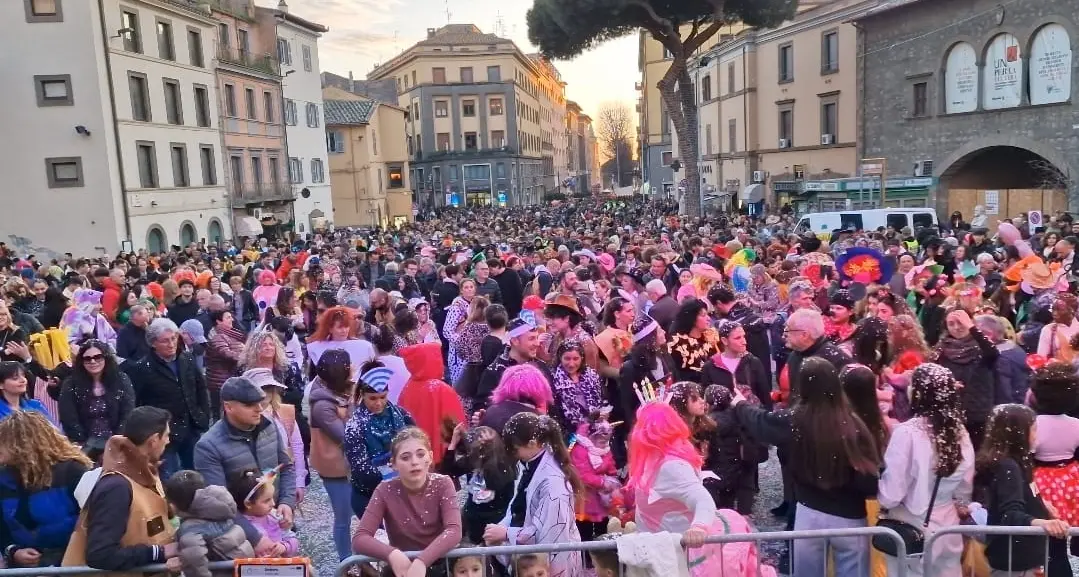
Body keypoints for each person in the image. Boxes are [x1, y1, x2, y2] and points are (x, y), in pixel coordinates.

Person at [733, 357, 880, 577]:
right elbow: (869, 476)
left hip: (809, 511)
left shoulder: (796, 419)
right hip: (850, 516)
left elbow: (762, 423)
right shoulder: (853, 423)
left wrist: (740, 405)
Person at [628, 402, 774, 577]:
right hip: (666, 550)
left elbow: (701, 498)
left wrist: (698, 527)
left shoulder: (671, 465)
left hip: (682, 553)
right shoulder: (654, 459)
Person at [877, 363, 974, 577]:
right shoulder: (960, 433)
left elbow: (892, 492)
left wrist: (881, 500)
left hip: (910, 522)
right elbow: (965, 486)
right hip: (948, 524)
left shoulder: (906, 433)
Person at [61, 406, 180, 571]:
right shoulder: (116, 487)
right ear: (153, 441)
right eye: (166, 435)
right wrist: (158, 553)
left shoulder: (146, 474)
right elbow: (100, 554)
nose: (168, 441)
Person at [975, 404, 1071, 576]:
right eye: (1033, 430)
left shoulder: (1017, 462)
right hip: (1014, 558)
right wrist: (1043, 523)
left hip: (1023, 554)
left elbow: (1023, 494)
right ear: (1017, 434)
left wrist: (1042, 504)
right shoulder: (1007, 466)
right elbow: (1010, 512)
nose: (1036, 436)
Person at [352, 427, 462, 577]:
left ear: (429, 457)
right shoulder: (385, 489)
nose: (414, 462)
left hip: (439, 565)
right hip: (402, 567)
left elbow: (454, 531)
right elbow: (360, 537)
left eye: (420, 454)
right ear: (394, 463)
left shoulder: (443, 483)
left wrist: (422, 561)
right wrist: (392, 554)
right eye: (405, 457)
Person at [484, 413, 583, 577]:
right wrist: (499, 530)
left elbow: (552, 534)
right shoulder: (531, 465)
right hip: (531, 561)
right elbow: (517, 507)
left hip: (549, 567)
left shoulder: (553, 482)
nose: (513, 454)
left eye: (515, 449)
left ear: (532, 444)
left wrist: (506, 533)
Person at [192, 377, 297, 530]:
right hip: (242, 533)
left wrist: (286, 502)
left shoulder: (269, 425)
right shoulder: (208, 447)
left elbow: (286, 466)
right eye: (249, 405)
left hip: (276, 519)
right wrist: (255, 537)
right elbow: (220, 503)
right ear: (228, 407)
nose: (259, 409)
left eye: (260, 402)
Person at [0, 411, 92, 568]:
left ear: (22, 443)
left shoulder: (72, 471)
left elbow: (90, 519)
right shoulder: (4, 478)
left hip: (71, 562)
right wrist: (13, 551)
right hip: (24, 567)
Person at [124, 318, 210, 478]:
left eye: (173, 339)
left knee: (197, 475)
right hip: (163, 434)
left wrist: (204, 415)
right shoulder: (143, 368)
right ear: (153, 343)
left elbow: (200, 388)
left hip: (192, 427)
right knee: (169, 478)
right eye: (165, 341)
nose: (171, 344)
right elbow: (136, 403)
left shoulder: (187, 359)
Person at [344, 362, 416, 518]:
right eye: (373, 398)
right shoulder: (355, 426)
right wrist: (400, 473)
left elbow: (418, 445)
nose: (378, 403)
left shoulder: (401, 415)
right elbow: (362, 470)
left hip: (405, 491)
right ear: (362, 395)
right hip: (370, 496)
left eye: (383, 397)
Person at [307, 349, 355, 561]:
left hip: (350, 465)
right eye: (348, 365)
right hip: (336, 469)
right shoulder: (322, 405)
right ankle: (346, 562)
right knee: (343, 518)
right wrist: (354, 406)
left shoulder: (342, 391)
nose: (353, 368)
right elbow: (346, 436)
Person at [164, 470, 255, 577]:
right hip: (245, 569)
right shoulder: (220, 508)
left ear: (174, 506)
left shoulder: (190, 531)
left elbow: (195, 566)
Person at [933, 308, 1000, 451]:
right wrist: (946, 384)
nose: (957, 327)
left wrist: (972, 327)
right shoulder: (941, 349)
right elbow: (932, 376)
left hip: (978, 414)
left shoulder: (981, 347)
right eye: (951, 324)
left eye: (960, 323)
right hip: (951, 414)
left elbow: (993, 353)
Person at [242, 368, 307, 505]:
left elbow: (296, 446)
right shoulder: (243, 419)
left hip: (282, 481)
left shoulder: (285, 412)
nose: (264, 394)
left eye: (268, 389)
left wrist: (299, 481)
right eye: (260, 388)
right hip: (252, 488)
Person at [397, 341, 466, 467]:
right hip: (442, 459)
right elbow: (457, 423)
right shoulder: (441, 389)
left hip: (415, 456)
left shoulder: (407, 387)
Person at [58, 339, 136, 446]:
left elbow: (128, 413)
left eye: (98, 357)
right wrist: (85, 445)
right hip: (83, 446)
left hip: (117, 443)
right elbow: (69, 419)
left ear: (106, 358)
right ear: (81, 361)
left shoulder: (121, 380)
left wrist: (116, 442)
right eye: (87, 358)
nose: (93, 361)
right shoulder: (70, 384)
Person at [226, 468, 299, 558]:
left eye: (272, 498)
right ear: (248, 503)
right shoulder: (243, 528)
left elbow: (292, 539)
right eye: (266, 500)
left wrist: (285, 547)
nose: (273, 504)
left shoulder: (274, 516)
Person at [205, 309, 246, 419]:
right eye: (228, 317)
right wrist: (246, 356)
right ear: (218, 321)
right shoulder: (217, 337)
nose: (232, 319)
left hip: (230, 380)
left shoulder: (232, 335)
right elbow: (227, 354)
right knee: (222, 415)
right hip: (220, 383)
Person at [667, 298, 720, 382]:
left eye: (707, 314)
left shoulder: (711, 336)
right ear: (692, 318)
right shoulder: (678, 344)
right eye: (703, 315)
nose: (708, 318)